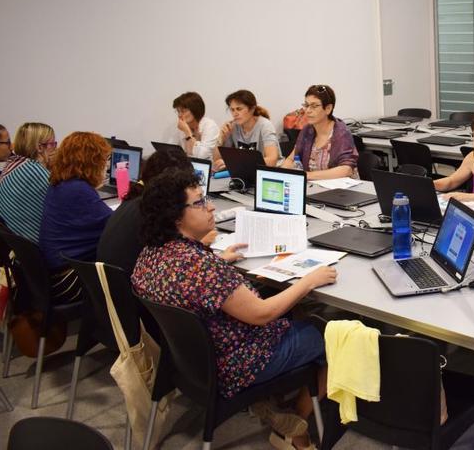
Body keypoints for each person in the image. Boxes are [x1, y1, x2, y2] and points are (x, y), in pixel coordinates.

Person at [132, 168, 335, 449]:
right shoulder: (200, 266)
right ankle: (294, 424)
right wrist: (308, 280)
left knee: (292, 311)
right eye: (199, 202)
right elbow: (262, 314)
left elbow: (190, 285)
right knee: (332, 336)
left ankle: (272, 400)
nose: (210, 207)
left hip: (189, 362)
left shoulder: (151, 254)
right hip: (239, 363)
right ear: (176, 216)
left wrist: (220, 261)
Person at [39, 132, 113, 303]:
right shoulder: (78, 190)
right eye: (105, 160)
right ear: (91, 161)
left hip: (54, 272)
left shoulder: (61, 183)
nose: (106, 165)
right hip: (67, 280)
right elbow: (115, 225)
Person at [280, 85, 358, 180]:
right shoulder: (307, 131)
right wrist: (283, 173)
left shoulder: (341, 133)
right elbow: (290, 159)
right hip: (313, 185)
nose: (308, 111)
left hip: (340, 187)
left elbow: (346, 170)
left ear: (328, 108)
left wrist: (306, 175)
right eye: (306, 105)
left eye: (314, 106)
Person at [214, 89, 280, 170]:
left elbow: (272, 161)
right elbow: (216, 161)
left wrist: (234, 163)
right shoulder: (233, 126)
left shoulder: (265, 126)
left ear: (252, 109)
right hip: (247, 171)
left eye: (239, 109)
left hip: (269, 172)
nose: (235, 114)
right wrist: (221, 138)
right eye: (232, 110)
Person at [172, 91, 219, 159]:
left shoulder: (210, 126)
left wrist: (187, 132)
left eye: (183, 111)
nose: (179, 115)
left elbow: (202, 155)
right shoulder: (183, 126)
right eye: (178, 111)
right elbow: (177, 150)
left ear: (195, 110)